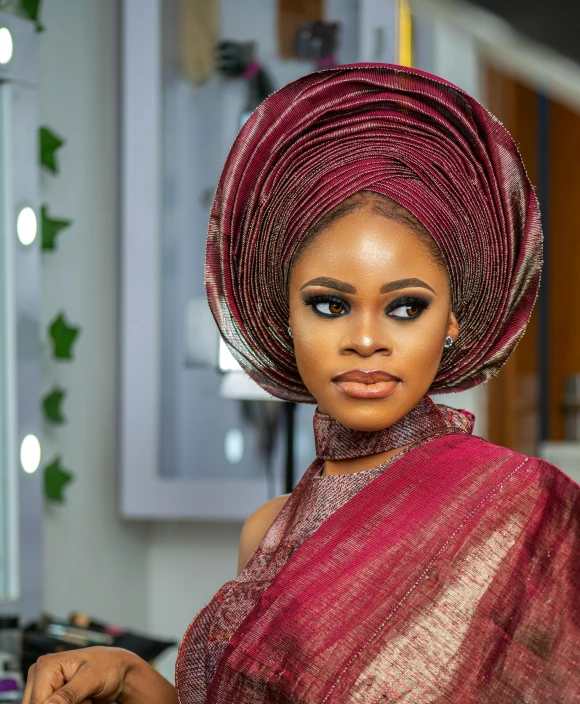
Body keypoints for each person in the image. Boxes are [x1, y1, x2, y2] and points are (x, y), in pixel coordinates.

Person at [23, 64, 579, 704]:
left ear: (453, 319)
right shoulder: (268, 533)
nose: (365, 339)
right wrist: (134, 678)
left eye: (405, 308)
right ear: (283, 314)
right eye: (329, 305)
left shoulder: (520, 520)